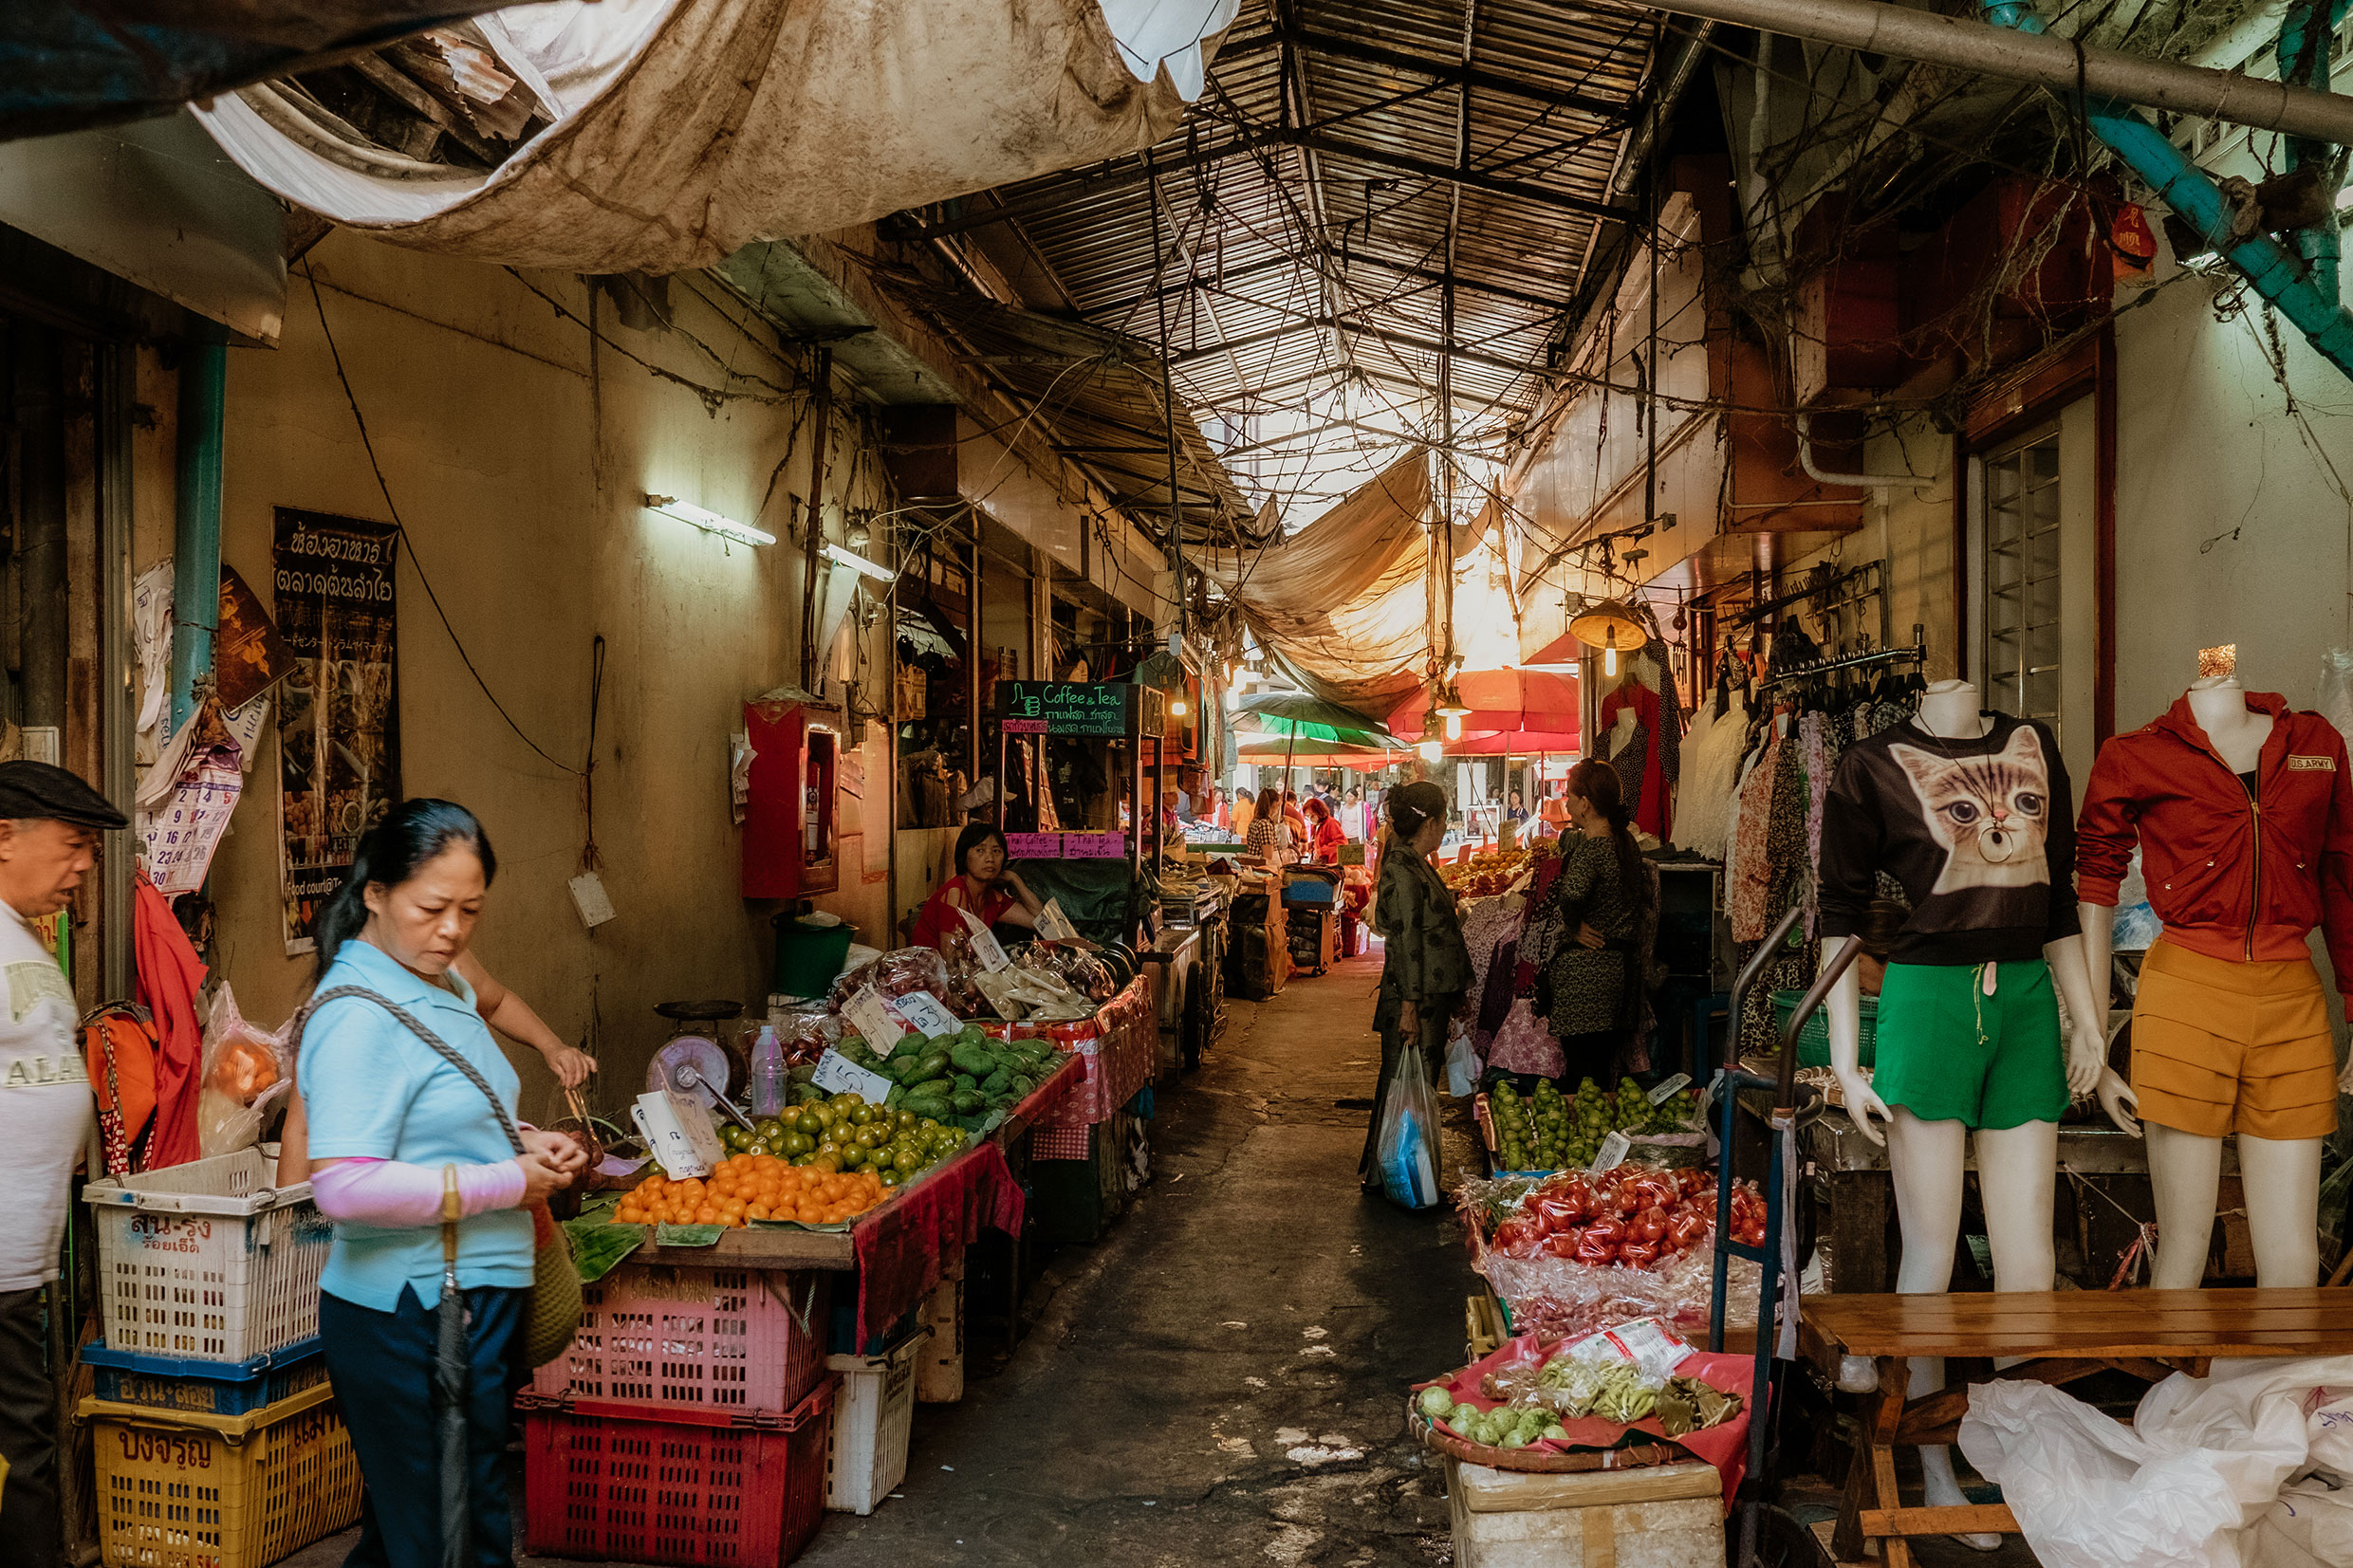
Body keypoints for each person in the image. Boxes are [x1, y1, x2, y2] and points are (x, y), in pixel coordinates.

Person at [296, 799, 588, 1567]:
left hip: (464, 1302)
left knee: (418, 1532)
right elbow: (344, 1186)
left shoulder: (442, 984)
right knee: (456, 1538)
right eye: (432, 908)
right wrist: (505, 1181)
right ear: (375, 893)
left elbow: (438, 1121)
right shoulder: (356, 1013)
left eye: (471, 909)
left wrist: (525, 1142)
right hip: (415, 1313)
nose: (453, 929)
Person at [0, 762, 125, 1567]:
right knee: (23, 1460)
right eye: (73, 844)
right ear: (3, 836)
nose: (83, 865)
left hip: (18, 1265)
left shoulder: (21, 935)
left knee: (24, 1450)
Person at [1361, 781, 1471, 1190]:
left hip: (1425, 995)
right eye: (1444, 818)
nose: (1445, 826)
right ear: (1432, 823)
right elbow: (1406, 939)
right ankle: (1409, 1184)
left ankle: (1390, 1177)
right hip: (1414, 998)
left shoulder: (1413, 862)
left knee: (1403, 1087)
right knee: (1409, 1090)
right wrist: (1409, 1006)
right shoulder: (1403, 868)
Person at [1544, 759, 1655, 1084]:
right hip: (1620, 977)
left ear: (1585, 804)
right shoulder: (1626, 844)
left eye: (1570, 796)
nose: (1566, 803)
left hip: (1585, 984)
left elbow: (1571, 896)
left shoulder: (1592, 851)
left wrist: (1573, 926)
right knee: (1604, 1077)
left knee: (1584, 1080)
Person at [910, 823, 1044, 950]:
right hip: (929, 966)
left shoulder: (992, 897)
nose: (990, 858)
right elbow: (950, 959)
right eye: (980, 850)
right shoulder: (955, 893)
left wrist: (1015, 879)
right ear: (964, 856)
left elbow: (1041, 923)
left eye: (996, 851)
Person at [1244, 786, 1294, 864]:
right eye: (1278, 805)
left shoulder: (1255, 822)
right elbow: (1268, 857)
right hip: (1264, 867)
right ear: (1274, 804)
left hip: (1255, 865)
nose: (1278, 808)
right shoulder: (1265, 825)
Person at [1304, 796, 1346, 865]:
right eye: (1307, 817)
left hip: (1331, 863)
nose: (1310, 819)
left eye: (1312, 816)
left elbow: (1341, 842)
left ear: (1319, 812)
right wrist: (1307, 847)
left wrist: (1322, 851)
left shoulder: (1331, 823)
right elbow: (1317, 842)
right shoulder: (1315, 825)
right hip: (1320, 863)